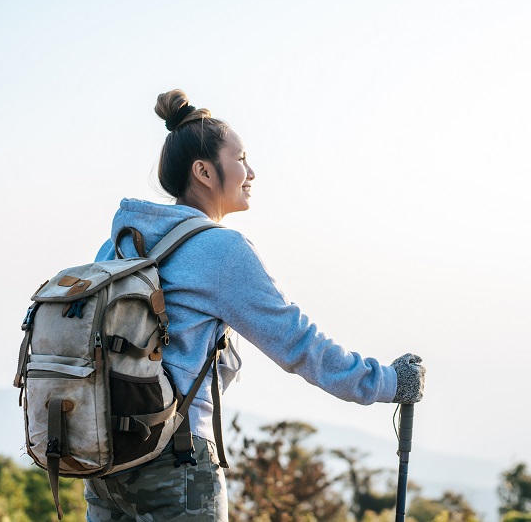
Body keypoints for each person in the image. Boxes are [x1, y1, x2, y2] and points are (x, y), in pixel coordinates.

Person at [83, 89, 426, 521]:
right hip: (176, 462)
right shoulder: (220, 250)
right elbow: (299, 345)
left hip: (104, 460)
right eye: (241, 158)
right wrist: (389, 383)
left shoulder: (120, 244)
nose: (252, 172)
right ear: (204, 171)